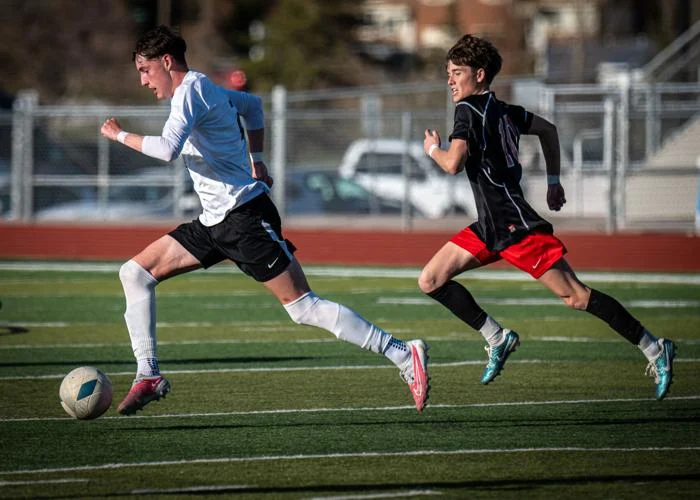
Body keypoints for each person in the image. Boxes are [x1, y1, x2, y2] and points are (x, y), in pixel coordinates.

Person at [100, 25, 429, 415]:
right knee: (135, 274)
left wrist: (119, 135)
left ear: (165, 61)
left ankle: (402, 353)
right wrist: (257, 159)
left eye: (144, 69)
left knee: (303, 307)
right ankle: (148, 374)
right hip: (215, 222)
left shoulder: (189, 91)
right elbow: (253, 106)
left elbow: (168, 149)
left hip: (245, 218)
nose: (143, 80)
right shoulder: (206, 89)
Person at [420, 34, 675, 400]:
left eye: (456, 72)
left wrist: (432, 149)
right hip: (491, 226)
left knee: (576, 297)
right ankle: (497, 337)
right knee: (431, 279)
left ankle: (655, 348)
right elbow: (548, 130)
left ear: (479, 75)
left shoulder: (469, 111)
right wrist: (554, 181)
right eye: (448, 72)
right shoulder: (505, 111)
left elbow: (452, 163)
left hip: (513, 226)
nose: (450, 80)